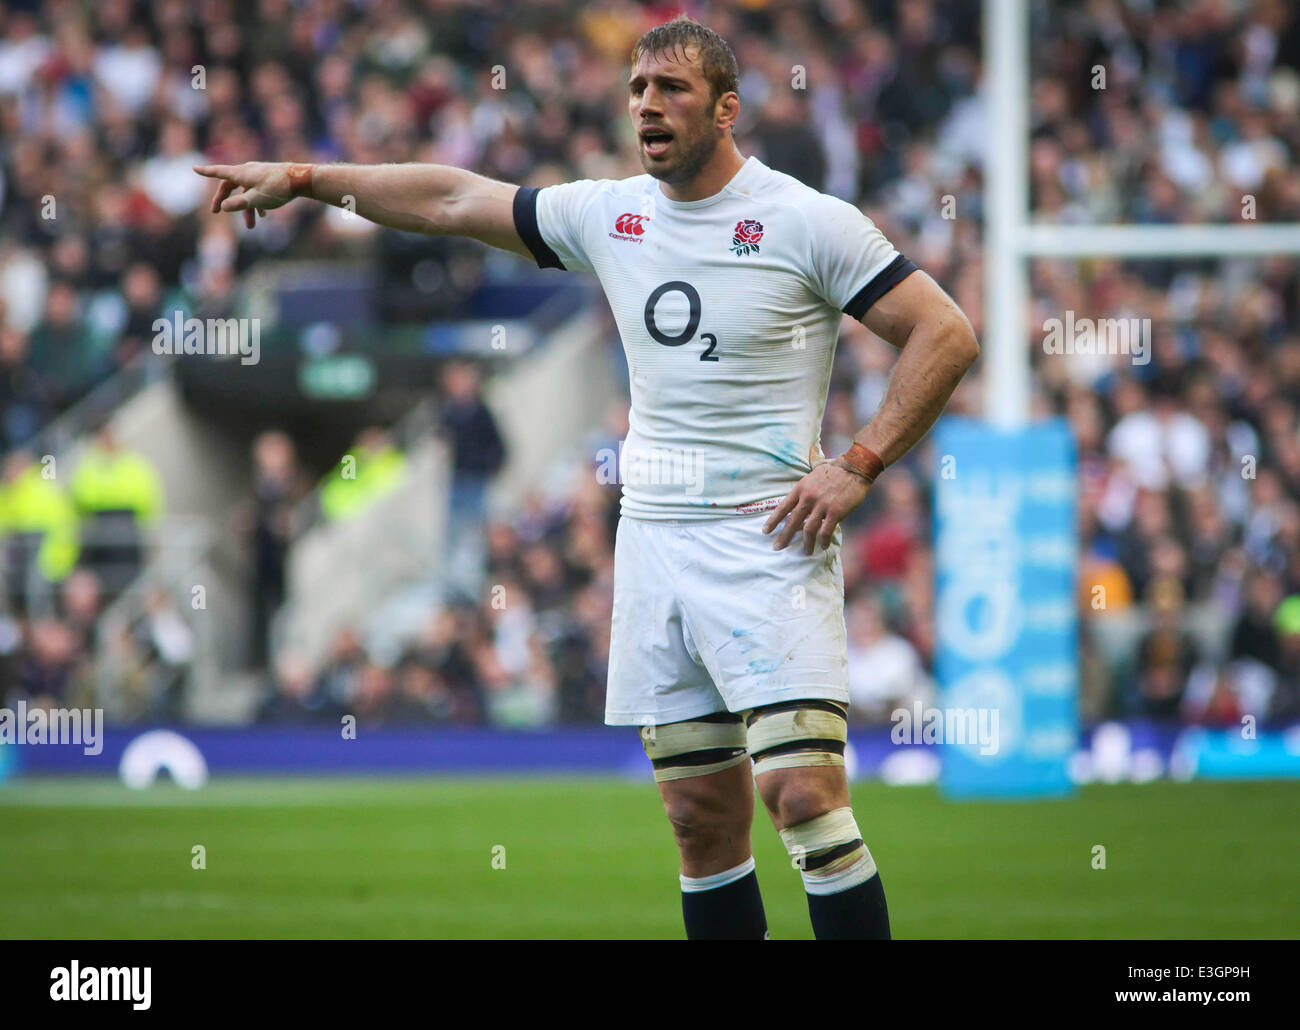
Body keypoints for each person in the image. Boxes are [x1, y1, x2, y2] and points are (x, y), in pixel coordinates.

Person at [194, 15, 979, 941]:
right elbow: (451, 199)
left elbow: (946, 331)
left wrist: (856, 466)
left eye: (672, 89)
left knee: (802, 792)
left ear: (726, 110)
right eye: (638, 89)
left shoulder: (804, 220)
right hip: (653, 543)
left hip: (767, 539)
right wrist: (309, 179)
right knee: (699, 824)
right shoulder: (611, 214)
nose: (647, 105)